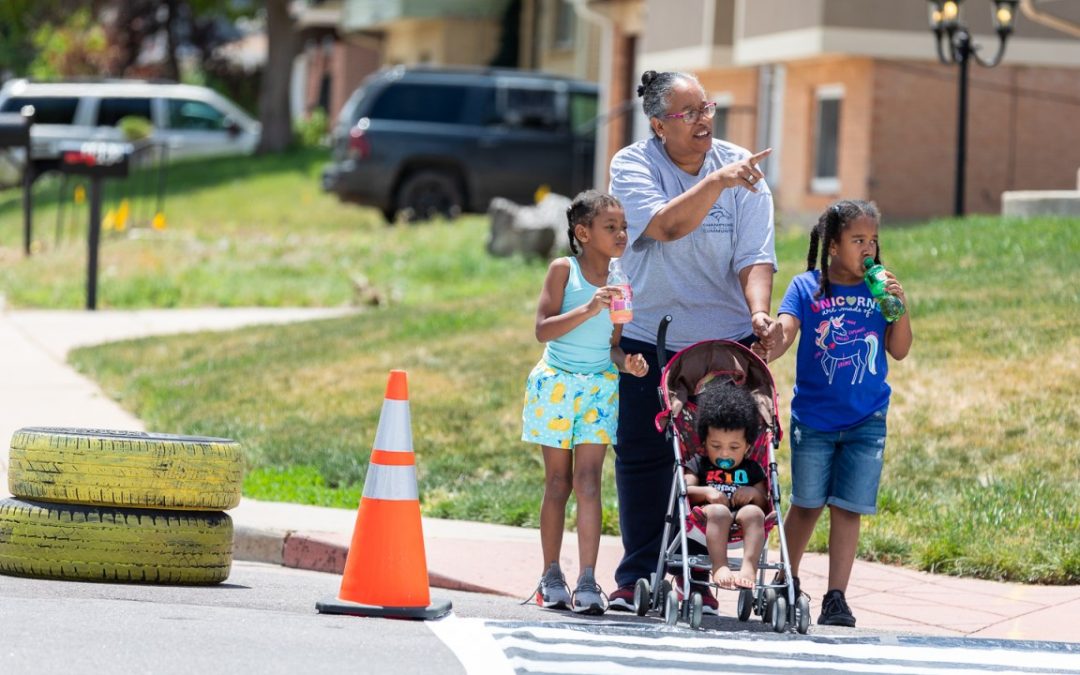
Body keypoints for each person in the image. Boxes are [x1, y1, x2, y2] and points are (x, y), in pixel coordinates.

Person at [605, 69, 781, 614]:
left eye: (707, 108)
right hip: (647, 339)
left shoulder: (740, 168)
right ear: (659, 125)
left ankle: (699, 577)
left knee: (712, 466)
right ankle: (637, 575)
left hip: (722, 347)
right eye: (690, 113)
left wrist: (758, 315)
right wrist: (719, 182)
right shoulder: (632, 165)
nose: (705, 120)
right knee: (642, 459)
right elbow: (663, 226)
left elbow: (755, 255)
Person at [769, 199, 913, 627]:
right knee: (808, 503)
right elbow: (785, 332)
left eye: (873, 240)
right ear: (833, 245)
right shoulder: (806, 286)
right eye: (857, 240)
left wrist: (898, 306)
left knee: (848, 508)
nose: (867, 249)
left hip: (866, 418)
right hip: (814, 419)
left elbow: (900, 350)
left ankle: (836, 597)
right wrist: (768, 338)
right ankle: (786, 579)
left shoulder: (879, 289)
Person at [521, 189, 649, 615]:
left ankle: (589, 578)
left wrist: (626, 363)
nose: (621, 234)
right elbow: (543, 330)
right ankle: (551, 574)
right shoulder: (564, 270)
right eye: (610, 227)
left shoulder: (621, 281)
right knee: (558, 483)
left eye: (624, 227)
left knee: (590, 482)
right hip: (556, 384)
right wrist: (590, 307)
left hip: (598, 387)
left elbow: (613, 346)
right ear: (583, 232)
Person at [684, 381, 768, 591]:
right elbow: (685, 491)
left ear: (747, 446)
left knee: (754, 513)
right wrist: (707, 492)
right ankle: (719, 565)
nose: (724, 454)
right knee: (720, 512)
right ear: (704, 443)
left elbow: (764, 501)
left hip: (742, 517)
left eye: (734, 447)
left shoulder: (752, 468)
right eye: (716, 446)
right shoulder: (698, 463)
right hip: (707, 518)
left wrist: (753, 493)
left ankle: (749, 566)